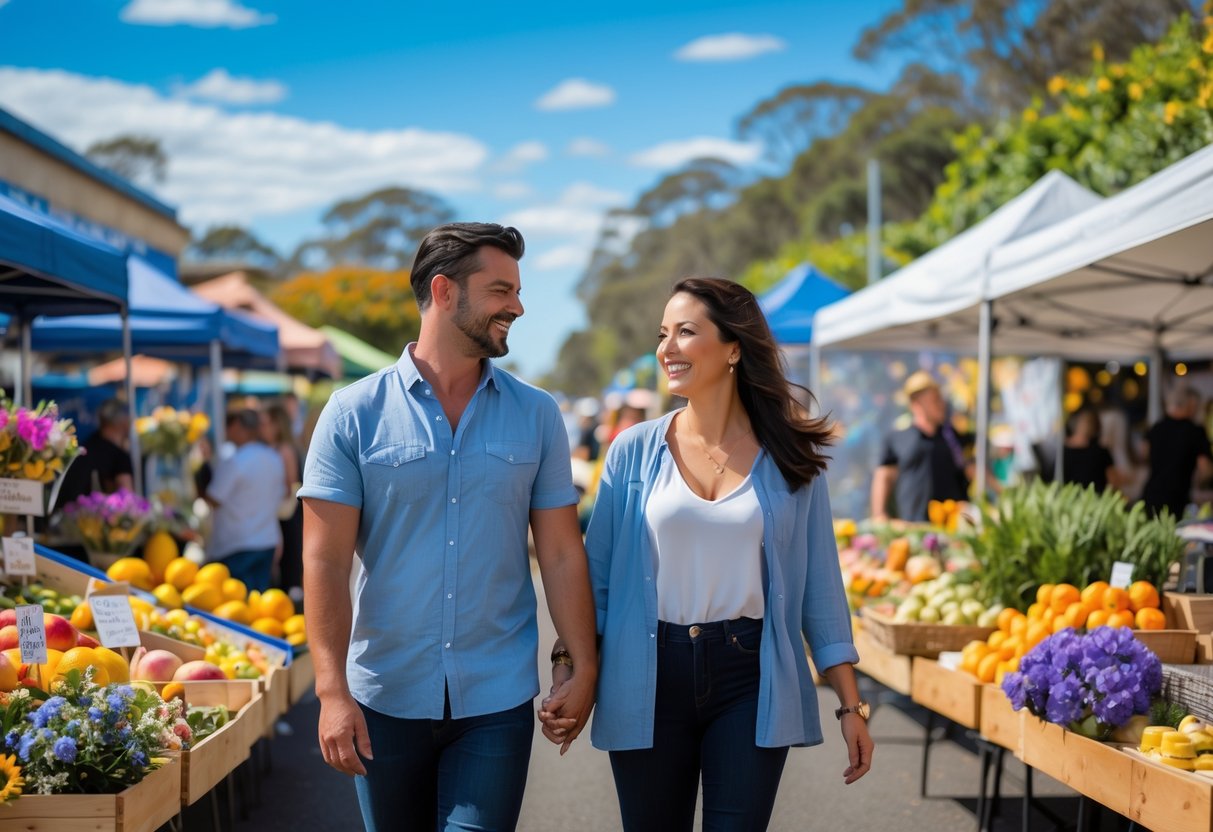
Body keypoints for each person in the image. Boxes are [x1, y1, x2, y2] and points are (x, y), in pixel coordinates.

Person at [543, 278, 872, 831]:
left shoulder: (791, 458)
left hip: (750, 675)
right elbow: (593, 579)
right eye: (662, 334)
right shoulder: (632, 450)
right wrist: (568, 669)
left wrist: (850, 706)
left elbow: (820, 589)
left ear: (734, 348)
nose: (666, 348)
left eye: (686, 332)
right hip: (648, 669)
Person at [298, 222, 597, 831]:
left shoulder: (537, 414)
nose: (517, 306)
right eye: (500, 290)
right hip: (383, 696)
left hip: (496, 696)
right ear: (443, 292)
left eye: (516, 291)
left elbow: (563, 554)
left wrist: (582, 661)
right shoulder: (352, 413)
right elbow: (324, 562)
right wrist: (331, 692)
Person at [204, 409, 285, 592]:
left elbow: (214, 498)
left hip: (236, 544)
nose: (226, 430)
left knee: (238, 606)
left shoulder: (236, 461)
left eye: (229, 425)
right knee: (259, 608)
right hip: (266, 541)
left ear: (239, 426)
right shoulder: (273, 458)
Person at [870, 371, 969, 522]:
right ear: (916, 404)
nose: (941, 404)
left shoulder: (952, 437)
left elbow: (972, 467)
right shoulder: (898, 438)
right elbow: (883, 476)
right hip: (915, 528)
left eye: (940, 398)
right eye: (935, 400)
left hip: (953, 527)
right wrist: (879, 515)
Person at [1141, 384, 1213, 519]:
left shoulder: (1156, 428)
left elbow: (1144, 454)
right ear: (1191, 405)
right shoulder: (1195, 431)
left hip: (1151, 494)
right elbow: (1206, 469)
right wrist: (1201, 484)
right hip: (1177, 499)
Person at [55, 398, 134, 510]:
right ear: (122, 422)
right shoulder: (119, 456)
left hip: (67, 515)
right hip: (96, 520)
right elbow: (127, 500)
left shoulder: (85, 446)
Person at [261, 403, 304, 599]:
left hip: (285, 512)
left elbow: (291, 484)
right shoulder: (272, 448)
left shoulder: (284, 449)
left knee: (287, 553)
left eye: (266, 423)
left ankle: (290, 590)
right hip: (277, 511)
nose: (263, 427)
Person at [1062, 406, 1117, 492]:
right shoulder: (1101, 452)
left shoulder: (1062, 451)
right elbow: (1113, 482)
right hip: (1093, 500)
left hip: (1072, 500)